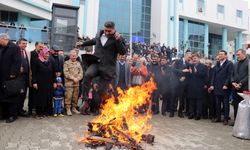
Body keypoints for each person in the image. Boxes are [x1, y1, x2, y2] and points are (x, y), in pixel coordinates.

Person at [78, 21, 126, 102]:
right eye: (105, 30)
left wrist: (118, 40)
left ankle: (105, 103)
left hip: (107, 67)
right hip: (96, 62)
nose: (107, 32)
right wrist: (82, 44)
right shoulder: (99, 35)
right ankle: (85, 97)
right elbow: (93, 41)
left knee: (102, 89)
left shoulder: (118, 38)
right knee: (87, 75)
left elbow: (122, 52)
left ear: (114, 29)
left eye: (109, 31)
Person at [0, 33, 22, 123]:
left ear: (4, 39)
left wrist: (13, 73)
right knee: (2, 96)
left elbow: (17, 62)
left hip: (10, 77)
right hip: (1, 76)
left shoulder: (15, 47)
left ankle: (13, 115)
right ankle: (3, 114)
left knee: (11, 97)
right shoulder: (1, 47)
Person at [210, 50, 233, 125]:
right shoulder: (217, 63)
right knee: (217, 103)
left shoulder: (229, 64)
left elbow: (229, 75)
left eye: (222, 54)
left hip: (225, 87)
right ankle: (218, 117)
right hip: (217, 87)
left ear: (226, 55)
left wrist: (226, 84)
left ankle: (226, 119)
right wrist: (212, 84)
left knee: (226, 104)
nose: (220, 56)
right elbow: (214, 75)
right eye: (219, 54)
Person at [32, 47, 56, 118]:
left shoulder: (51, 61)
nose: (47, 55)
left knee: (48, 97)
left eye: (48, 54)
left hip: (49, 83)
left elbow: (53, 72)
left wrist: (54, 82)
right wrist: (34, 82)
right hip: (40, 83)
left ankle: (47, 112)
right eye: (46, 54)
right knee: (40, 98)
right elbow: (34, 73)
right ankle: (39, 113)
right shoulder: (37, 61)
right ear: (42, 53)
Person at [230, 49, 249, 126]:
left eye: (238, 54)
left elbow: (248, 76)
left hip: (244, 88)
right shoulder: (235, 64)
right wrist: (233, 82)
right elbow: (231, 74)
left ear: (244, 54)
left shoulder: (248, 63)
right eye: (236, 54)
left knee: (244, 106)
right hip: (235, 88)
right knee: (235, 104)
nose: (237, 56)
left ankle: (243, 123)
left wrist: (240, 84)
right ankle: (236, 121)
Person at [187, 53, 208, 120]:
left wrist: (196, 72)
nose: (194, 60)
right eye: (193, 59)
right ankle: (191, 113)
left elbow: (204, 75)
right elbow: (188, 76)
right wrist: (188, 73)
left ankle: (198, 114)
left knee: (198, 101)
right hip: (191, 86)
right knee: (191, 100)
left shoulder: (203, 66)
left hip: (199, 86)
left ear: (199, 59)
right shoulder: (190, 66)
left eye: (195, 58)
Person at [63, 50, 83, 116]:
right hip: (69, 84)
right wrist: (73, 78)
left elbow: (81, 73)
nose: (74, 57)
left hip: (76, 83)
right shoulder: (66, 63)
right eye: (73, 56)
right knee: (68, 96)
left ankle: (74, 108)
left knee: (75, 96)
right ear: (70, 56)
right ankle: (68, 109)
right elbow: (66, 73)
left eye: (75, 56)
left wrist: (78, 78)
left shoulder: (78, 63)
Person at [172, 52, 192, 117]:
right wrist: (182, 71)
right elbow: (173, 70)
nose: (190, 58)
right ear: (185, 55)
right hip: (176, 83)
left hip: (183, 84)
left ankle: (180, 112)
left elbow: (189, 74)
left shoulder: (189, 64)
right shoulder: (178, 61)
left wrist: (185, 76)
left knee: (182, 99)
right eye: (189, 57)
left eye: (190, 58)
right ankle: (172, 112)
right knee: (174, 97)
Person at [29, 41, 44, 115]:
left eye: (42, 47)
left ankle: (36, 108)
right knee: (32, 93)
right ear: (35, 46)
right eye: (40, 47)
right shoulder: (31, 54)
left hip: (41, 77)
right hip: (33, 76)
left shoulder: (43, 55)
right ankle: (30, 109)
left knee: (38, 94)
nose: (41, 48)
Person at [17, 38, 30, 117]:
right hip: (17, 78)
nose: (25, 45)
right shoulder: (15, 52)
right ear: (19, 44)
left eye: (25, 43)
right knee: (17, 95)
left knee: (23, 95)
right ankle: (15, 111)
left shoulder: (26, 52)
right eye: (23, 43)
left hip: (25, 78)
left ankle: (21, 110)